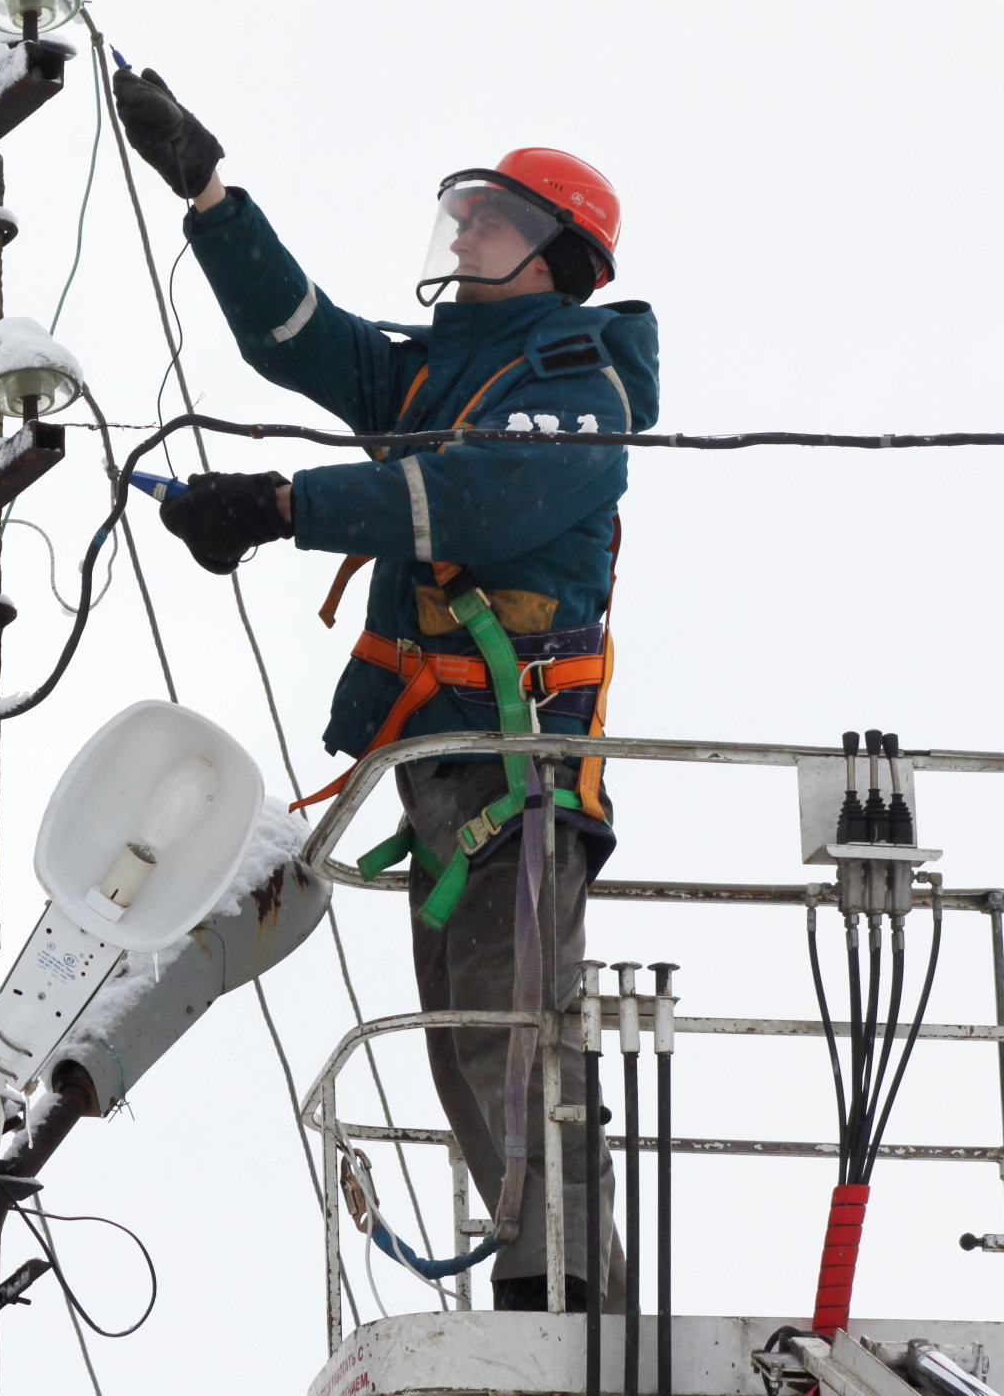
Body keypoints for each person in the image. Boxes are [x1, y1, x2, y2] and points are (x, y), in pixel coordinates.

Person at [114, 65, 659, 1312]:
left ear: (550, 257)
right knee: (462, 1054)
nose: (460, 234)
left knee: (514, 1042)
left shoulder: (581, 385)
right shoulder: (434, 374)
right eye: (461, 214)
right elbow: (296, 336)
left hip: (516, 778)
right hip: (440, 780)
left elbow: (474, 494)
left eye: (489, 221)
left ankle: (567, 1305)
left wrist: (281, 503)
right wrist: (206, 191)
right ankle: (543, 1286)